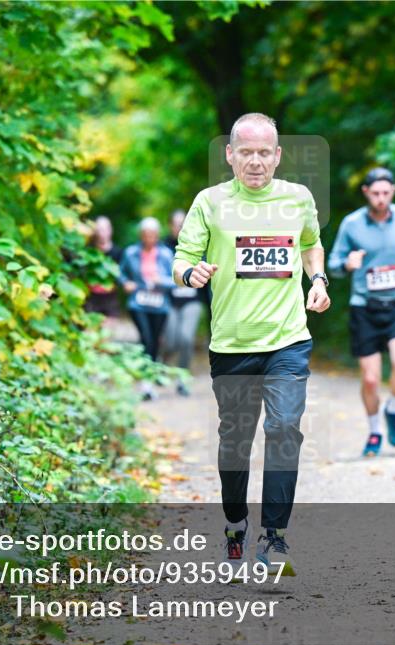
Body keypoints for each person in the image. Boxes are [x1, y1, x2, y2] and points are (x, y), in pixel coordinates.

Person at [172, 112, 330, 575]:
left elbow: (311, 244)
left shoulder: (298, 198)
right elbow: (181, 259)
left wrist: (318, 279)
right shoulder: (210, 202)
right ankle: (235, 522)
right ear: (230, 155)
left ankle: (274, 537)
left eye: (264, 152)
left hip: (288, 339)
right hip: (232, 344)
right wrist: (190, 273)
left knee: (283, 430)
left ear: (278, 156)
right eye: (246, 152)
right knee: (235, 444)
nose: (255, 161)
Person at [329, 167, 395, 457]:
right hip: (365, 306)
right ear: (366, 193)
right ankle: (374, 431)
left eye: (386, 193)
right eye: (375, 193)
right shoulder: (352, 224)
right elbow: (333, 264)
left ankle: (393, 408)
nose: (381, 198)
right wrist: (347, 264)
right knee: (370, 379)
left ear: (393, 191)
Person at [119, 217, 174, 400]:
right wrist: (126, 283)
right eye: (145, 234)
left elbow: (176, 280)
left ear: (157, 235)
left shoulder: (166, 254)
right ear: (141, 235)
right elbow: (120, 273)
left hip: (160, 304)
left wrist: (161, 281)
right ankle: (146, 383)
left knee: (155, 340)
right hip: (138, 303)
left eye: (152, 234)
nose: (149, 237)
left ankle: (152, 374)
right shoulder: (131, 253)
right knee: (146, 338)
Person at [163, 208, 209, 395]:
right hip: (169, 301)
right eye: (176, 225)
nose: (180, 228)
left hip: (192, 300)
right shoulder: (163, 247)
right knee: (171, 341)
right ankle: (162, 365)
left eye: (183, 224)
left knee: (186, 338)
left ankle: (183, 378)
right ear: (170, 226)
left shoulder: (197, 244)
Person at [83, 215, 124, 319]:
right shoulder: (87, 252)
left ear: (111, 230)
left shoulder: (118, 252)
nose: (102, 233)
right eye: (100, 229)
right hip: (90, 299)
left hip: (110, 299)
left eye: (105, 229)